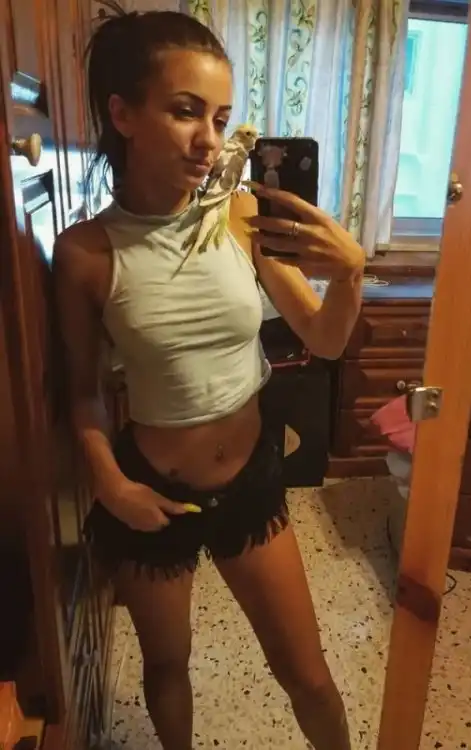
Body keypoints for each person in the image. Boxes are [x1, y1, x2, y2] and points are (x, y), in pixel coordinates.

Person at [54, 9, 365, 750]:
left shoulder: (240, 214)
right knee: (168, 666)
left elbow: (323, 338)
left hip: (251, 481)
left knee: (309, 675)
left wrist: (351, 272)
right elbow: (82, 392)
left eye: (221, 119)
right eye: (185, 111)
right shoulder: (87, 253)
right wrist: (111, 486)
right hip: (152, 495)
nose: (210, 141)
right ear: (123, 115)